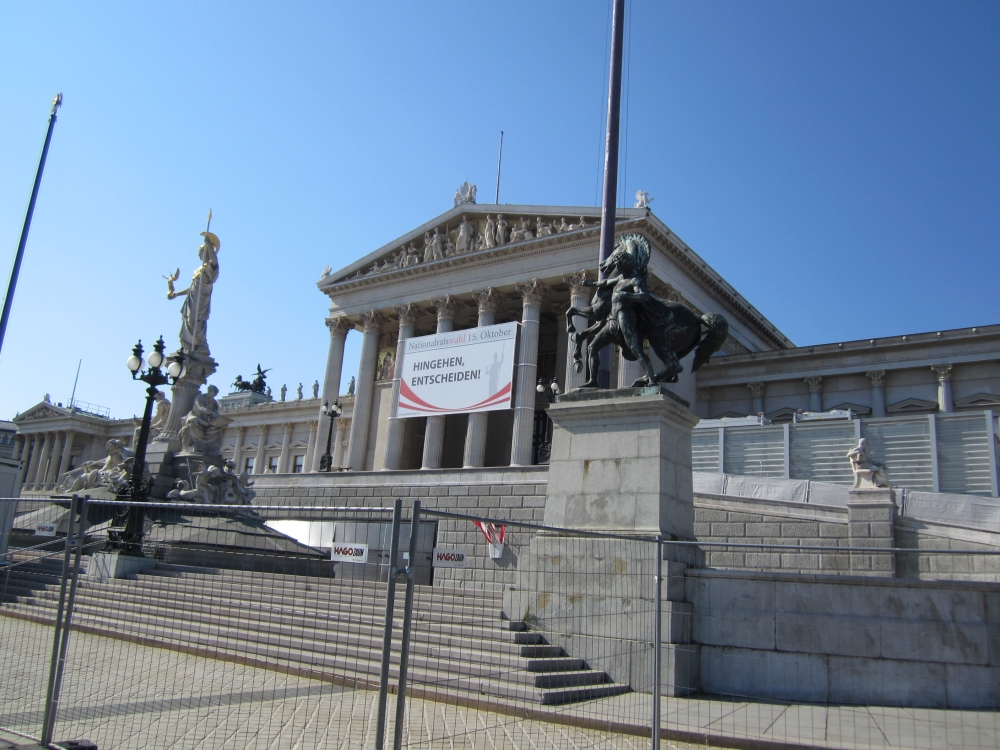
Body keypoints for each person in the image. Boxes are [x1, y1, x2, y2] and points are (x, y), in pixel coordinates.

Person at [168, 231, 220, 356]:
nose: (198, 255)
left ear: (205, 252)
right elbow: (192, 288)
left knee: (195, 321)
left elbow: (214, 261)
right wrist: (176, 294)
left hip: (201, 299)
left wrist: (209, 246)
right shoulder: (198, 270)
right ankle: (187, 346)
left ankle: (200, 346)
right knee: (187, 321)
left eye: (200, 252)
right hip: (192, 298)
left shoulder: (209, 268)